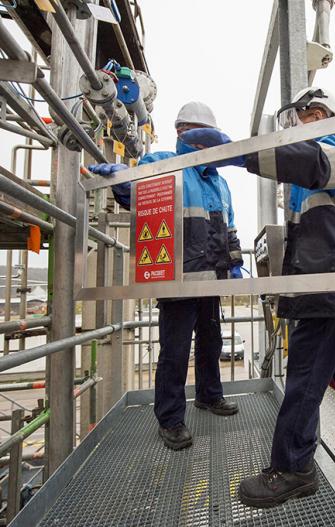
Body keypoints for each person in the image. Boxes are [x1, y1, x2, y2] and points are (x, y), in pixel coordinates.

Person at [180, 88, 335, 508]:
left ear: (320, 114)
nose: (292, 131)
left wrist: (242, 153)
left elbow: (309, 160)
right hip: (328, 284)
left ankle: (293, 467)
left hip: (328, 284)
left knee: (305, 376)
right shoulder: (316, 168)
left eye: (297, 121)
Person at [88, 101, 241, 451]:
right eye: (188, 131)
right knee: (174, 350)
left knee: (211, 342)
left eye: (202, 135)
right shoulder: (162, 164)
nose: (196, 140)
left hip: (211, 281)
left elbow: (229, 229)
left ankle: (209, 396)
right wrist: (120, 180)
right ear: (180, 133)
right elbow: (134, 195)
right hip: (176, 278)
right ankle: (170, 419)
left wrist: (233, 263)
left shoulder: (220, 182)